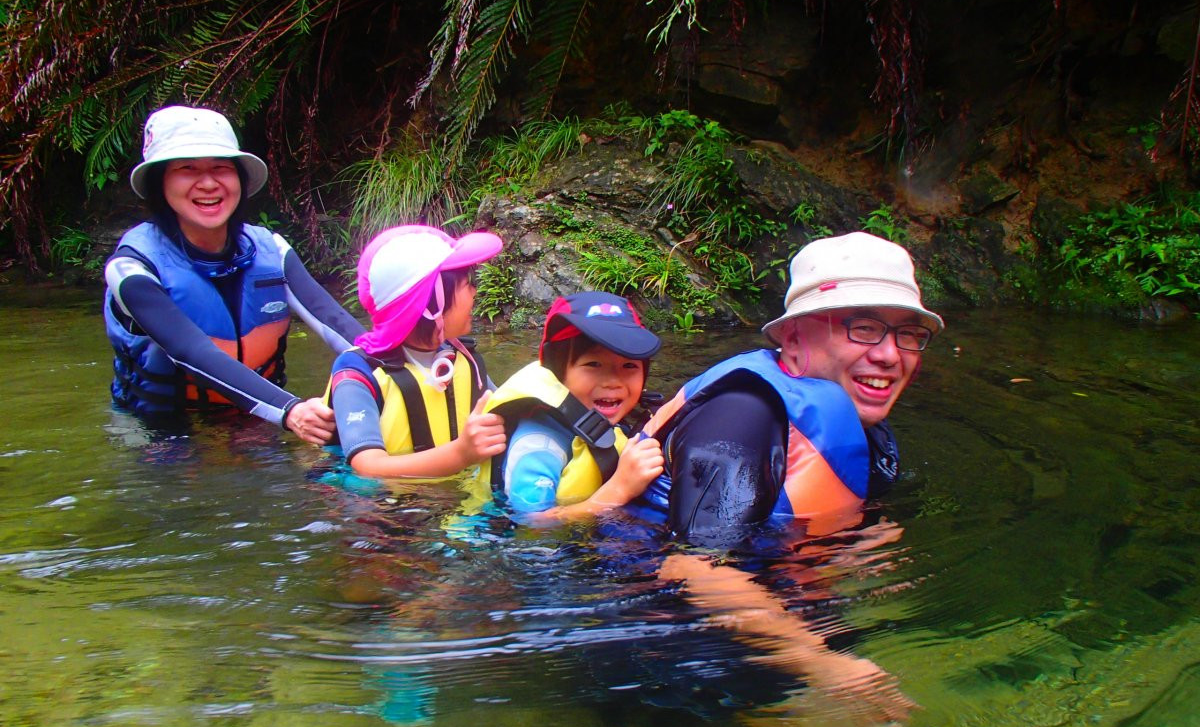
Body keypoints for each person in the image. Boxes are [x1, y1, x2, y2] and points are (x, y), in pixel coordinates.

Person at [640, 230, 943, 542]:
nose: (890, 355)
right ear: (794, 339)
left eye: (907, 333)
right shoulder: (742, 416)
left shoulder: (852, 415)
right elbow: (694, 567)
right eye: (864, 328)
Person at [103, 105, 365, 444]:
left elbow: (334, 322)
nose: (209, 183)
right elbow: (190, 352)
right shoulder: (132, 269)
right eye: (187, 168)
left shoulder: (273, 250)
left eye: (221, 168)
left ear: (240, 179)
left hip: (257, 420)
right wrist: (291, 411)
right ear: (160, 183)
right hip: (160, 432)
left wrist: (404, 358)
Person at [327, 224, 507, 480]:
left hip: (451, 502)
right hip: (389, 510)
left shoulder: (465, 359)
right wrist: (461, 454)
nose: (475, 292)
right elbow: (367, 466)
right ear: (430, 302)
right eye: (468, 284)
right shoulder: (357, 372)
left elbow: (510, 409)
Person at [481, 291, 664, 522]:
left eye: (629, 365)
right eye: (593, 364)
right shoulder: (539, 445)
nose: (613, 381)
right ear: (557, 371)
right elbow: (529, 524)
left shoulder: (606, 422)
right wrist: (619, 489)